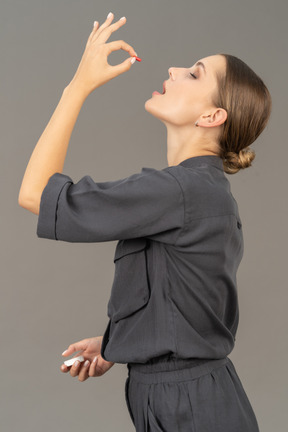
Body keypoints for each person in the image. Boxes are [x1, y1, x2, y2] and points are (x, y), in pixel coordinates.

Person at [18, 11, 272, 432]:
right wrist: (119, 344)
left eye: (194, 74)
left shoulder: (179, 190)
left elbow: (34, 194)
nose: (174, 70)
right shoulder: (199, 192)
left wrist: (78, 86)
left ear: (212, 117)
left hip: (190, 406)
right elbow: (188, 303)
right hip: (187, 398)